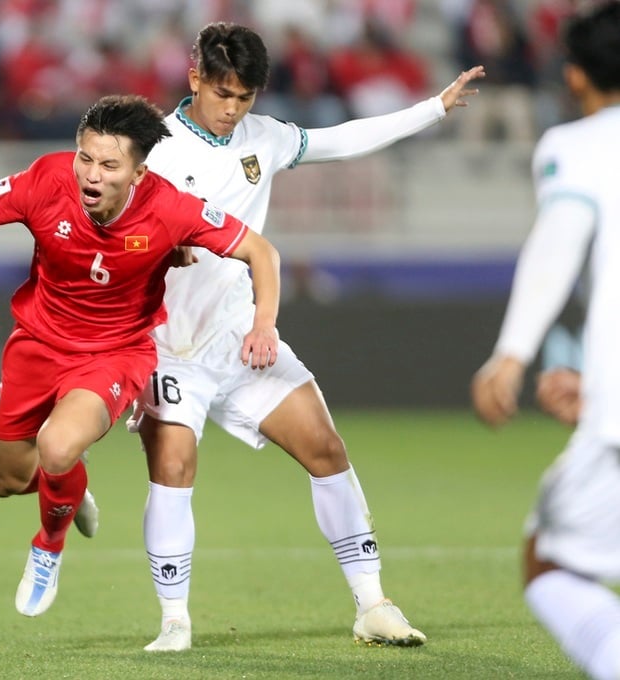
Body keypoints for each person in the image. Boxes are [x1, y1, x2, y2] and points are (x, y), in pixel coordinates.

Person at [127, 21, 485, 651]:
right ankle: (175, 621)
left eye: (245, 97)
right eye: (222, 93)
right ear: (195, 80)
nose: (232, 109)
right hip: (167, 345)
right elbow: (110, 230)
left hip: (240, 335)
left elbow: (343, 140)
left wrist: (435, 107)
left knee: (325, 448)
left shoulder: (264, 139)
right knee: (175, 467)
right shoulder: (151, 147)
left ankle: (373, 604)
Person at [0, 94, 282, 618]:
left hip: (115, 352)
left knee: (57, 446)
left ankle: (48, 544)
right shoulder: (46, 180)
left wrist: (262, 323)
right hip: (37, 344)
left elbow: (260, 251)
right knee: (9, 481)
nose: (91, 174)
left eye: (109, 165)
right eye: (85, 157)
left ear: (137, 171)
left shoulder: (170, 208)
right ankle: (68, 489)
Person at [471, 4, 620, 678]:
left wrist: (513, 353)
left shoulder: (580, 145)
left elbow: (560, 241)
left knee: (549, 560)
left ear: (576, 76)